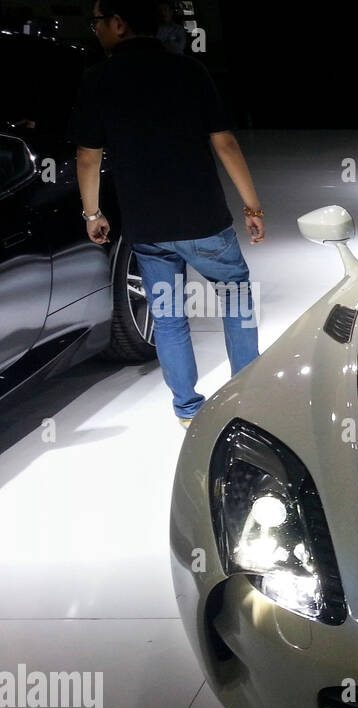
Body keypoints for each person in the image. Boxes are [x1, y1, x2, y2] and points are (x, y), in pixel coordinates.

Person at [70, 0, 264, 426]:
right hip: (204, 218)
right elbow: (225, 142)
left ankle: (188, 410)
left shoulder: (98, 79)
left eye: (97, 21)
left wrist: (92, 213)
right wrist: (252, 205)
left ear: (119, 23)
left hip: (149, 225)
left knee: (170, 316)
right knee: (236, 300)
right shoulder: (188, 71)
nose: (94, 29)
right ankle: (247, 400)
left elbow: (88, 156)